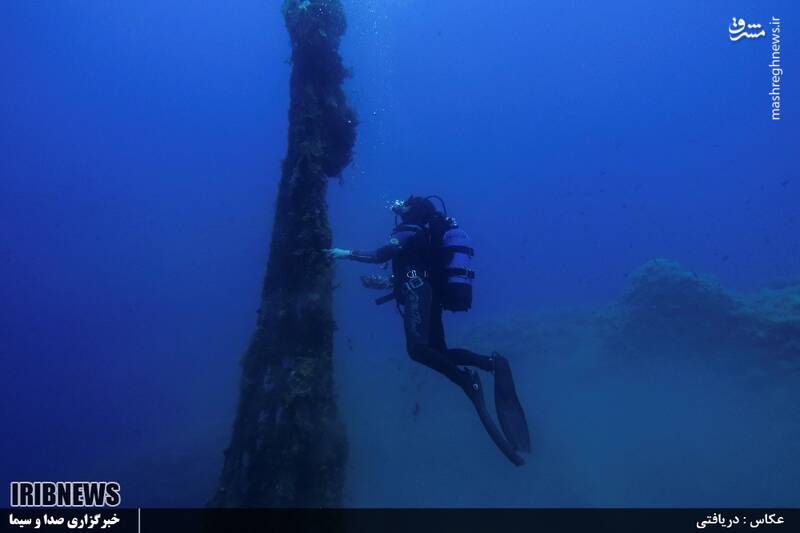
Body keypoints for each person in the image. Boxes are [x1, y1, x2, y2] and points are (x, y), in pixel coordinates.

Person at [327, 195, 530, 466]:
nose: (398, 209)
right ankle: (490, 363)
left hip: (417, 293)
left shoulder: (408, 230)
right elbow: (414, 272)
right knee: (439, 351)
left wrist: (346, 254)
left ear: (410, 212)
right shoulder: (423, 234)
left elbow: (381, 255)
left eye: (404, 206)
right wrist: (387, 283)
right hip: (428, 293)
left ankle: (465, 381)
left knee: (418, 350)